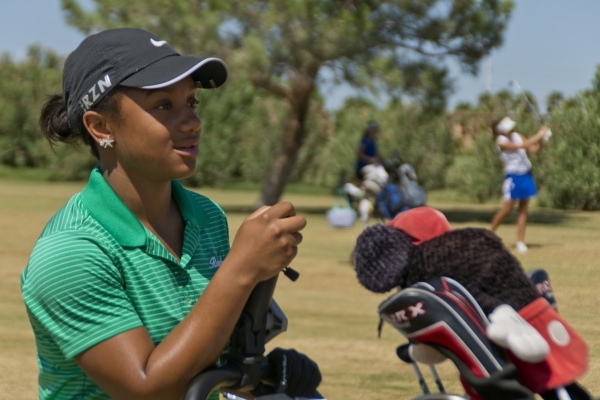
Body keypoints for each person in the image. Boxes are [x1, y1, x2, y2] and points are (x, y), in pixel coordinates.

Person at [20, 28, 321, 400]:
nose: (191, 122)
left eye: (192, 103)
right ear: (101, 127)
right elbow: (148, 389)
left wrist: (258, 372)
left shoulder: (207, 217)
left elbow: (204, 353)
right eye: (163, 105)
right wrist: (241, 268)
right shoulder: (70, 252)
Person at [490, 116, 551, 253]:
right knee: (507, 209)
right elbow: (520, 146)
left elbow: (533, 150)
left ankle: (520, 242)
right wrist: (540, 133)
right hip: (512, 176)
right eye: (508, 127)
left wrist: (544, 140)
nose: (511, 129)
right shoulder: (501, 142)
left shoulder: (518, 136)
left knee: (523, 209)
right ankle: (489, 234)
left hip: (525, 174)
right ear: (502, 130)